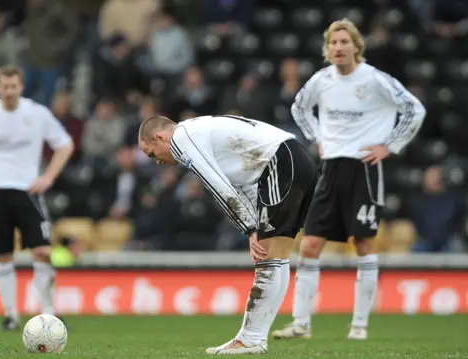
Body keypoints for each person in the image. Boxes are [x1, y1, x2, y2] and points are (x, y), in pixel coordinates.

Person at [272, 18, 426, 341]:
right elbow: (300, 107)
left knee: (364, 243)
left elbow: (414, 109)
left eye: (344, 42)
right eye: (333, 43)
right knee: (311, 244)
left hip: (363, 168)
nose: (338, 48)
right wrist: (316, 137)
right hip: (329, 169)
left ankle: (359, 325)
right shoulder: (322, 80)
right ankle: (301, 324)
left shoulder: (374, 79)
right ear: (327, 50)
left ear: (357, 46)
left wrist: (390, 145)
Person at [138, 114, 318, 355]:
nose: (156, 162)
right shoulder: (202, 133)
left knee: (268, 257)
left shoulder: (182, 138)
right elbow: (241, 185)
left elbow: (217, 186)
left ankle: (251, 339)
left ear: (160, 137)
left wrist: (250, 229)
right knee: (276, 256)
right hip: (293, 158)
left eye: (152, 153)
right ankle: (253, 338)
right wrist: (254, 226)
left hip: (281, 163)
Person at [0, 65, 74, 331]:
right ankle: (10, 315)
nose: (9, 91)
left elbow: (65, 144)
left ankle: (49, 312)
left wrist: (48, 177)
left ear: (21, 86)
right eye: (4, 86)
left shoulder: (37, 114)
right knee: (2, 255)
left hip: (28, 191)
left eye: (14, 86)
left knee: (42, 251)